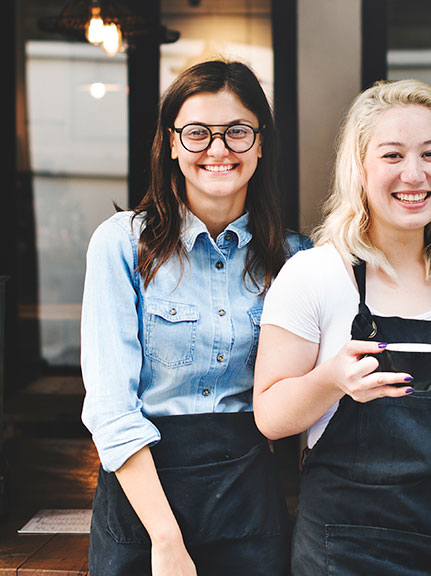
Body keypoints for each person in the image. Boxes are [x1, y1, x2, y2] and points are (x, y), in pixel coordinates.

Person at [253, 79, 431, 575]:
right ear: (360, 168)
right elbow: (270, 416)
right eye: (392, 155)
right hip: (348, 548)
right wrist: (332, 380)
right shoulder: (315, 274)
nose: (414, 175)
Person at [81, 60, 309, 575]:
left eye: (237, 132)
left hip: (249, 505)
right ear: (173, 143)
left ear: (261, 141)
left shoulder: (297, 259)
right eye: (198, 133)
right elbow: (111, 408)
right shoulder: (121, 244)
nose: (218, 149)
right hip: (143, 510)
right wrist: (166, 540)